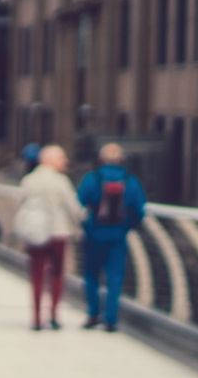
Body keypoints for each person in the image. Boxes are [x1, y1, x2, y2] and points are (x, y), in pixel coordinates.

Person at [12, 144, 84, 330]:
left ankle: (36, 317)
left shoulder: (29, 180)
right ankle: (53, 315)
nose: (65, 162)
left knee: (36, 274)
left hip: (35, 232)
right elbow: (73, 208)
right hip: (58, 233)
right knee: (57, 274)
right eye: (61, 158)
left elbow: (20, 203)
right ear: (50, 160)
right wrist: (81, 222)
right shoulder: (61, 181)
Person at [78, 142, 148, 332]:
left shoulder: (92, 179)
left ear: (101, 159)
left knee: (91, 275)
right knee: (115, 277)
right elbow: (140, 210)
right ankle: (111, 319)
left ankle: (93, 314)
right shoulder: (131, 181)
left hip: (94, 233)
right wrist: (126, 227)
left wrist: (86, 225)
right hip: (118, 235)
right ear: (121, 160)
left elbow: (80, 202)